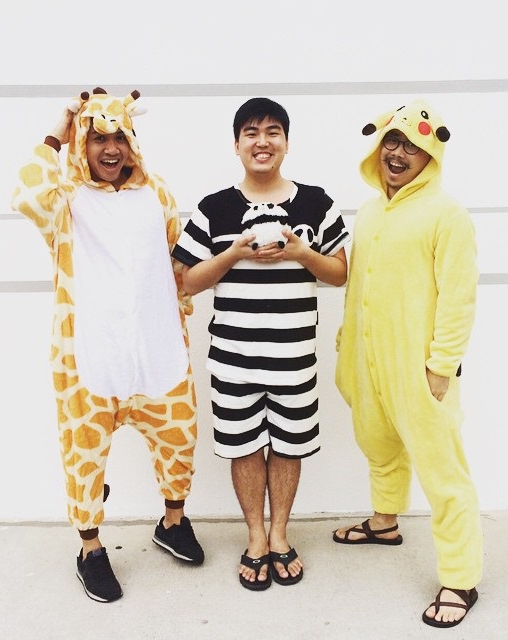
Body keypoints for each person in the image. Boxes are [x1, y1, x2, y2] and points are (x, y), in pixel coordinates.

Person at [10, 87, 204, 604]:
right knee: (84, 455)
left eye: (119, 136)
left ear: (133, 141)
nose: (111, 148)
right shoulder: (65, 200)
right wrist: (61, 125)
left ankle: (173, 522)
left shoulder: (157, 192)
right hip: (88, 357)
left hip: (157, 349)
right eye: (98, 138)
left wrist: (182, 310)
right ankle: (90, 549)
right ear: (82, 143)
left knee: (180, 441)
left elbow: (176, 258)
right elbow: (26, 191)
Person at [172, 97, 349, 591]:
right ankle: (255, 536)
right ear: (237, 145)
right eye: (251, 132)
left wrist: (301, 252)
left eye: (273, 131)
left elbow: (340, 274)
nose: (262, 141)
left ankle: (279, 535)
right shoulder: (214, 208)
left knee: (289, 446)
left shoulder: (317, 203)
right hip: (233, 360)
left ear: (286, 143)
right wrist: (232, 252)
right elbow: (186, 282)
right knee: (244, 447)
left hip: (294, 359)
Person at [331, 99, 482, 629]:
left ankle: (460, 578)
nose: (397, 153)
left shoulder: (447, 214)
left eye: (412, 146)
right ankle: (384, 521)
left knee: (443, 472)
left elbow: (459, 296)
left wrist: (442, 365)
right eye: (391, 142)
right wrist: (346, 344)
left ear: (430, 156)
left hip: (419, 366)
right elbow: (358, 286)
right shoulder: (370, 211)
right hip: (367, 357)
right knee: (379, 444)